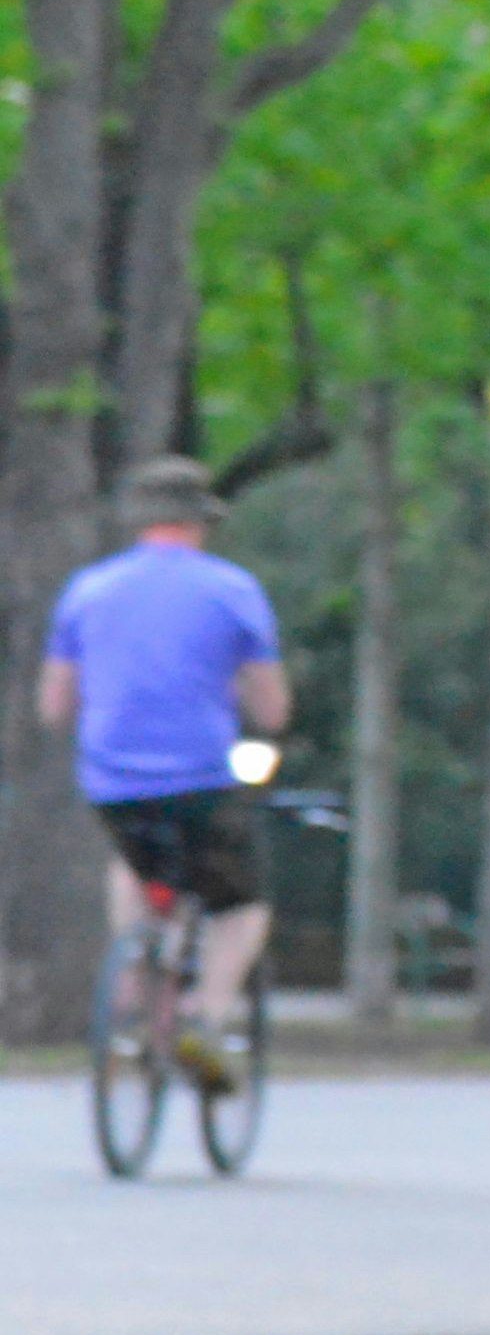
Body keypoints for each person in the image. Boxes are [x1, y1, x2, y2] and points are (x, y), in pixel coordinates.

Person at [33, 457, 290, 1094]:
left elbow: (55, 706)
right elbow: (271, 707)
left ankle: (138, 989)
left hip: (113, 779)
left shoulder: (88, 590)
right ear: (201, 523)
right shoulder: (232, 590)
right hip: (201, 774)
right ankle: (206, 1016)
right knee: (241, 903)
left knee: (133, 865)